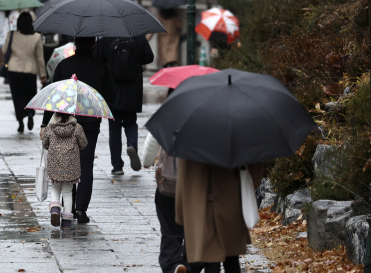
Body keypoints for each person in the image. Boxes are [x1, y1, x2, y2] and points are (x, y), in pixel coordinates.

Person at [42, 36, 115, 224]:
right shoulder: (100, 67)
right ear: (93, 44)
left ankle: (69, 207)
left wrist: (44, 124)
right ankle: (81, 209)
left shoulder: (64, 66)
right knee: (86, 163)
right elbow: (111, 97)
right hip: (90, 124)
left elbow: (53, 95)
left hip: (66, 121)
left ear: (75, 44)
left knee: (68, 159)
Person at [176, 160, 264, 273]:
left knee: (211, 258)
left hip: (200, 205)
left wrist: (180, 213)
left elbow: (182, 176)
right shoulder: (238, 142)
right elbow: (255, 175)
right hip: (231, 202)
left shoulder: (190, 143)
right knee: (231, 258)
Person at [141, 90, 188, 273]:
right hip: (195, 186)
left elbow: (152, 142)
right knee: (194, 229)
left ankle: (173, 264)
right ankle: (189, 264)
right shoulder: (204, 117)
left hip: (168, 183)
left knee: (169, 228)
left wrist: (146, 162)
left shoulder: (166, 115)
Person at [96, 35, 154, 175]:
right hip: (132, 88)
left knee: (114, 128)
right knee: (131, 121)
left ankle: (117, 166)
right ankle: (132, 145)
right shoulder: (137, 36)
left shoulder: (106, 39)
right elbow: (149, 57)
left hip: (112, 88)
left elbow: (97, 58)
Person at [2, 12, 47, 132]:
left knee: (17, 98)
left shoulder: (11, 35)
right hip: (30, 71)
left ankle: (20, 122)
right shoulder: (37, 37)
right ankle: (30, 113)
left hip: (14, 70)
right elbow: (40, 57)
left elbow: (4, 50)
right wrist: (43, 74)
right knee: (30, 95)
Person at [42, 112, 88, 228]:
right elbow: (83, 144)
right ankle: (67, 222)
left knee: (55, 187)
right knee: (68, 192)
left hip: (55, 166)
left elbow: (45, 144)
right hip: (70, 167)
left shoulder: (50, 128)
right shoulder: (77, 128)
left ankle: (55, 209)